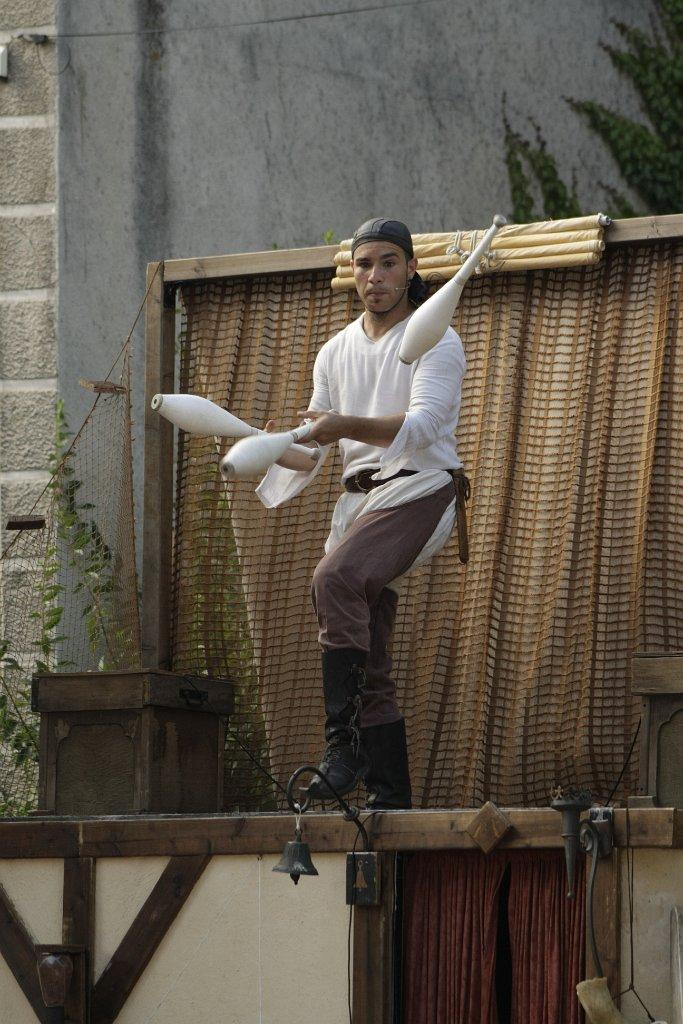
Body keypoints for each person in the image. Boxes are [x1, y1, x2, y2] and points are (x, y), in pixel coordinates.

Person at [256, 218, 468, 809]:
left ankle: (342, 747)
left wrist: (343, 424)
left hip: (419, 489)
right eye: (364, 264)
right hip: (359, 505)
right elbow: (312, 451)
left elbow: (423, 427)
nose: (375, 276)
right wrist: (267, 445)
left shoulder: (438, 339)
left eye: (388, 263)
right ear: (352, 272)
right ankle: (389, 796)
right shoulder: (335, 351)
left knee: (335, 578)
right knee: (368, 650)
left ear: (410, 269)